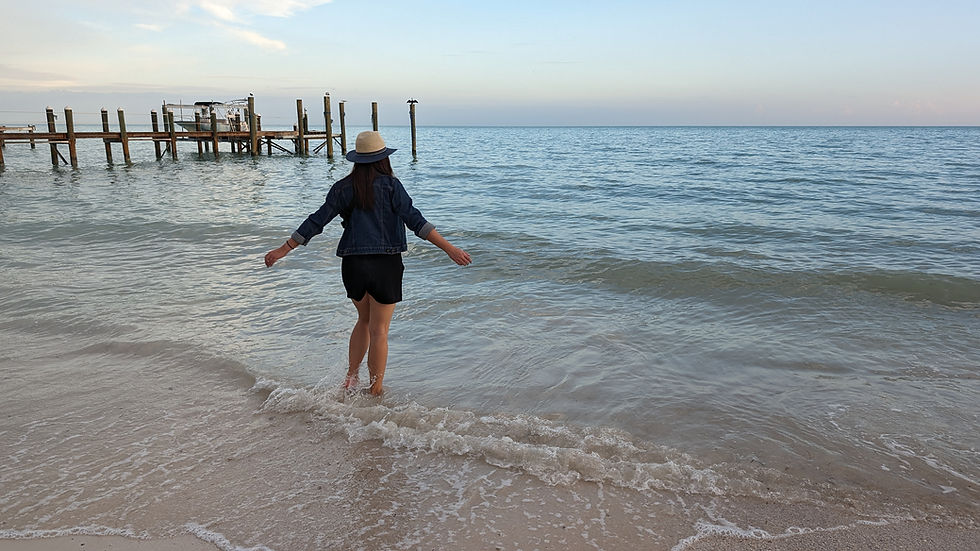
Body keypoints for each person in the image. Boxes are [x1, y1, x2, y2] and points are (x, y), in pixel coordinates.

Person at [264, 131, 471, 396]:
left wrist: (284, 249)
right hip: (385, 265)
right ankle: (376, 390)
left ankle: (351, 377)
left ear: (357, 159)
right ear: (383, 159)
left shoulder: (342, 187)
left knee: (363, 320)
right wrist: (450, 248)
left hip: (353, 266)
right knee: (380, 330)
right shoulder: (392, 186)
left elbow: (317, 221)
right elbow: (416, 221)